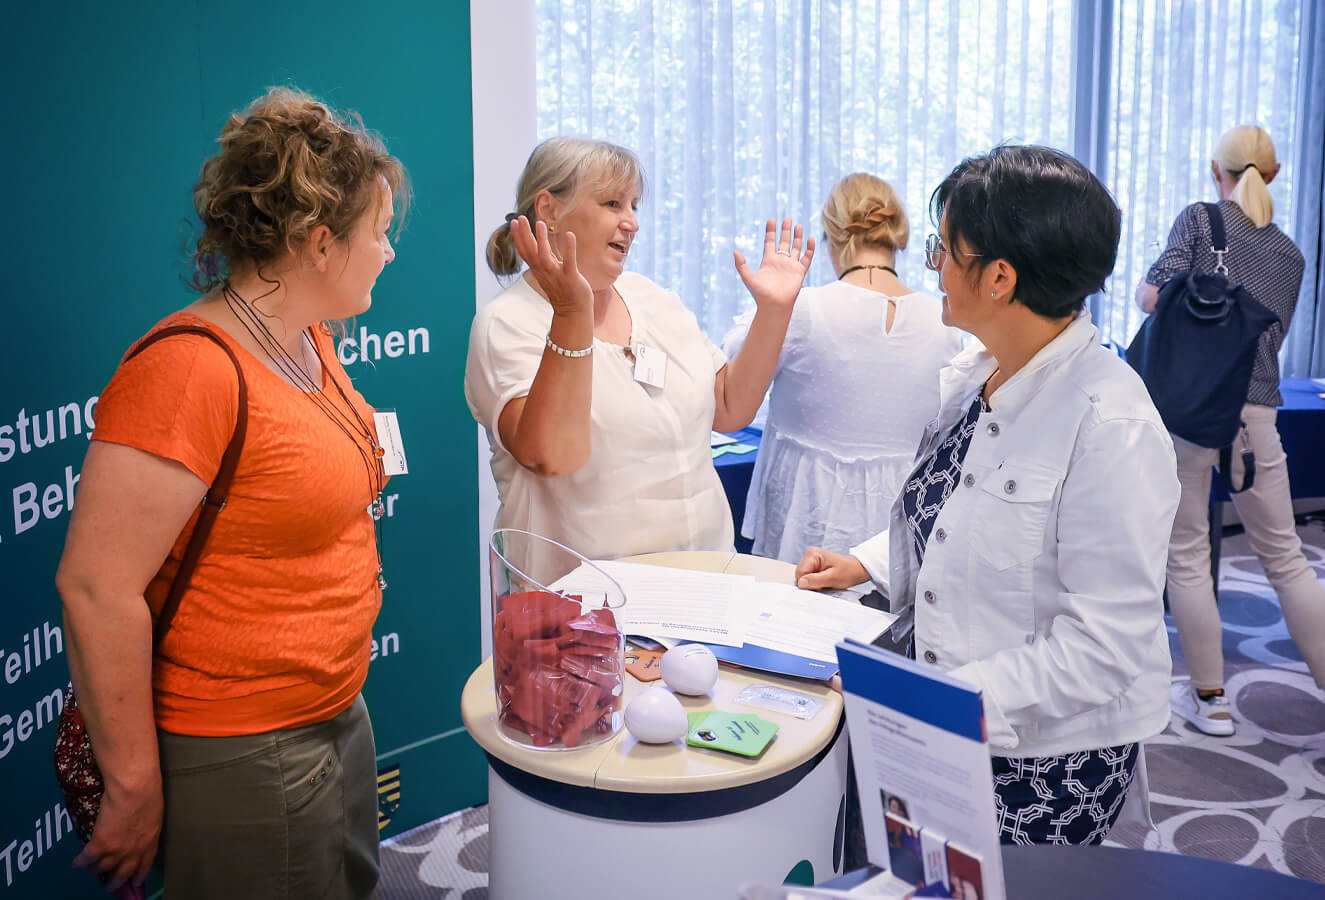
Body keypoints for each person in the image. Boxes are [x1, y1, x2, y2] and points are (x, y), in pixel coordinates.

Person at [55, 88, 405, 899]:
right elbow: (95, 588)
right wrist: (135, 785)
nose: (387, 252)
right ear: (320, 243)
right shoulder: (188, 370)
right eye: (377, 234)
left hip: (331, 710)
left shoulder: (305, 337)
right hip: (245, 745)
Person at [796, 145, 1180, 845]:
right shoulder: (983, 373)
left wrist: (926, 703)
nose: (932, 265)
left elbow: (1102, 649)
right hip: (945, 710)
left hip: (1038, 759)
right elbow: (964, 518)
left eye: (945, 250)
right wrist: (869, 564)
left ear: (999, 277)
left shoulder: (1109, 424)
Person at [466, 137, 814, 562]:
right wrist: (573, 311)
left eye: (634, 205)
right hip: (585, 607)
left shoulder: (652, 299)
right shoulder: (507, 324)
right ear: (548, 210)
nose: (631, 222)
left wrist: (773, 312)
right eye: (613, 203)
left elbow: (728, 406)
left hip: (703, 584)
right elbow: (552, 455)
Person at [1136, 124, 1325, 736]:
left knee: (1186, 557)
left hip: (1189, 411)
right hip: (1258, 415)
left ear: (1214, 170)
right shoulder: (1292, 255)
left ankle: (1211, 701)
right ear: (1271, 176)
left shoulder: (1199, 220)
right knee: (1288, 558)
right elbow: (1270, 342)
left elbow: (1150, 298)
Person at [722, 172, 961, 565]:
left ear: (834, 238)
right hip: (901, 533)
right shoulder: (947, 321)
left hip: (808, 525)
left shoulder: (801, 309)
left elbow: (728, 374)